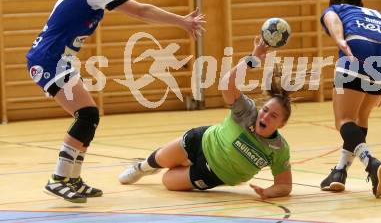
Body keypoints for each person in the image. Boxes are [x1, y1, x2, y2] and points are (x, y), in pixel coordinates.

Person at [26, 0, 205, 203]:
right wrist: (181, 21)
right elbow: (141, 11)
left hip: (56, 58)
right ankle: (59, 178)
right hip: (49, 59)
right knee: (85, 114)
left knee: (88, 115)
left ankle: (71, 178)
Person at [118, 37, 293, 199]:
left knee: (168, 181)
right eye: (266, 110)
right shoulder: (247, 112)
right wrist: (251, 60)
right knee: (161, 159)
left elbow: (284, 185)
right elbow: (226, 84)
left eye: (274, 115)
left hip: (211, 174)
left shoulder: (279, 149)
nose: (265, 116)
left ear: (282, 124)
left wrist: (269, 192)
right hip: (202, 142)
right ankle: (141, 167)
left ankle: (181, 162)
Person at [319, 0, 381, 198]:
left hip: (357, 48)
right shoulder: (379, 16)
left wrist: (339, 39)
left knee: (343, 119)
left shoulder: (337, 9)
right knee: (360, 117)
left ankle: (371, 163)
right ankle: (339, 172)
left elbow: (332, 18)